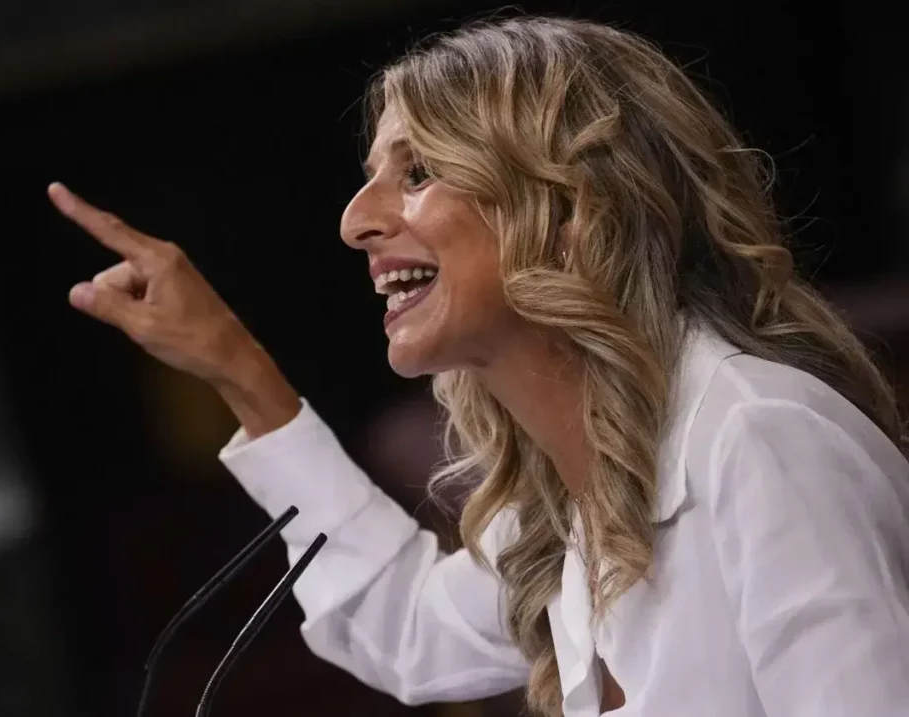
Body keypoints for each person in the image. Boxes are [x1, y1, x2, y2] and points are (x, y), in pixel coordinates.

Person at [48, 16, 909, 717]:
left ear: (570, 208)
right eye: (370, 176)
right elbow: (407, 630)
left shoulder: (761, 442)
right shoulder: (563, 510)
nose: (355, 221)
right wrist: (235, 367)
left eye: (417, 172)